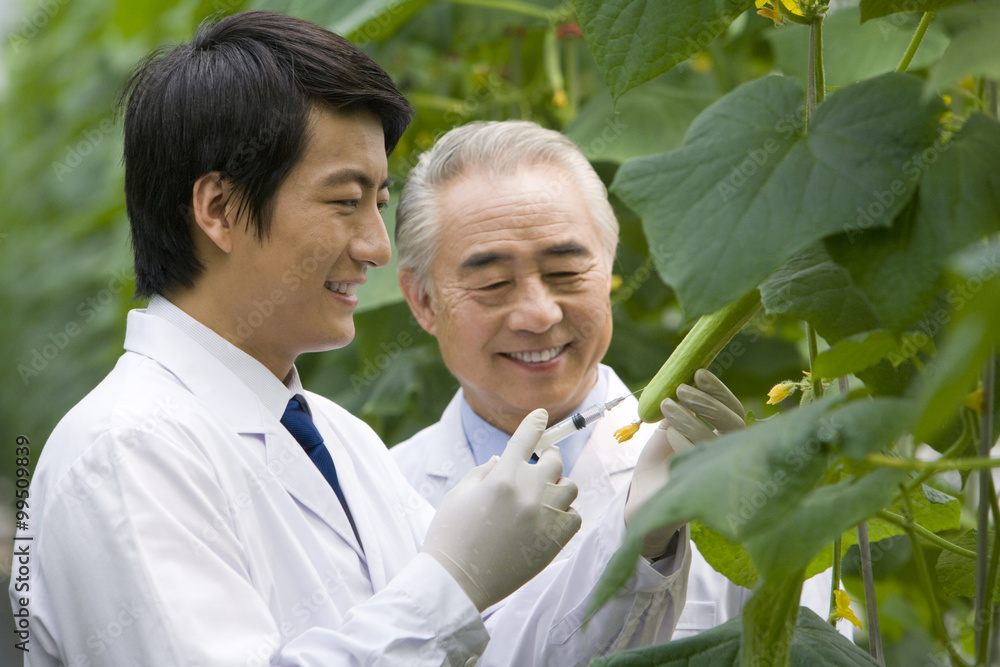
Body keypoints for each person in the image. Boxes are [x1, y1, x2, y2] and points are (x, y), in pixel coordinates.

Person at [11, 12, 693, 667]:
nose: (376, 245)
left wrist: (642, 529)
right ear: (218, 209)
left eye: (379, 201)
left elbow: (490, 654)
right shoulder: (125, 452)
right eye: (345, 201)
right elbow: (438, 623)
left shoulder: (342, 441)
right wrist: (450, 584)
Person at [391, 119, 837, 639]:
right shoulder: (379, 488)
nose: (538, 314)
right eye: (492, 283)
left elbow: (808, 649)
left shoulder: (758, 487)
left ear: (607, 267)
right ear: (423, 300)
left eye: (565, 273)